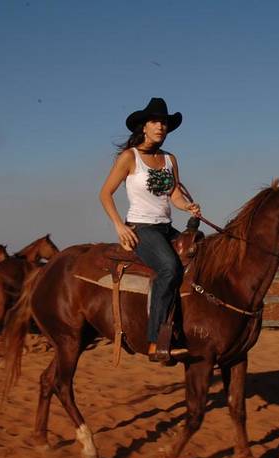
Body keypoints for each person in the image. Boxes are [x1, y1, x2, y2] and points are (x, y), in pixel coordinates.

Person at [99, 97, 200, 362]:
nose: (161, 127)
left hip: (166, 228)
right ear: (144, 126)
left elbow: (174, 194)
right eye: (155, 121)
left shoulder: (170, 159)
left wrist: (187, 207)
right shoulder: (129, 158)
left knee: (200, 257)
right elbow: (105, 194)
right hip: (142, 229)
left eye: (164, 123)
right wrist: (120, 226)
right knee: (169, 268)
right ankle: (156, 341)